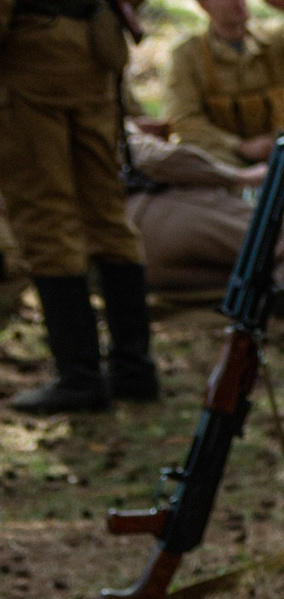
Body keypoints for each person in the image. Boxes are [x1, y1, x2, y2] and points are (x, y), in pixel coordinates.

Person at [0, 0, 155, 414]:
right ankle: (133, 367)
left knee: (45, 217)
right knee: (106, 215)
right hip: (94, 55)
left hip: (31, 64)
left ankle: (79, 377)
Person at [122, 126, 284, 302]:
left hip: (129, 267)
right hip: (153, 217)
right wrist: (238, 176)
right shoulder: (101, 110)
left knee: (252, 273)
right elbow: (158, 159)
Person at [165, 0, 284, 171]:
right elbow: (183, 120)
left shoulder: (271, 39)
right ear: (204, 5)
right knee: (200, 164)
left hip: (279, 147)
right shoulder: (189, 54)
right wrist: (239, 146)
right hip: (227, 155)